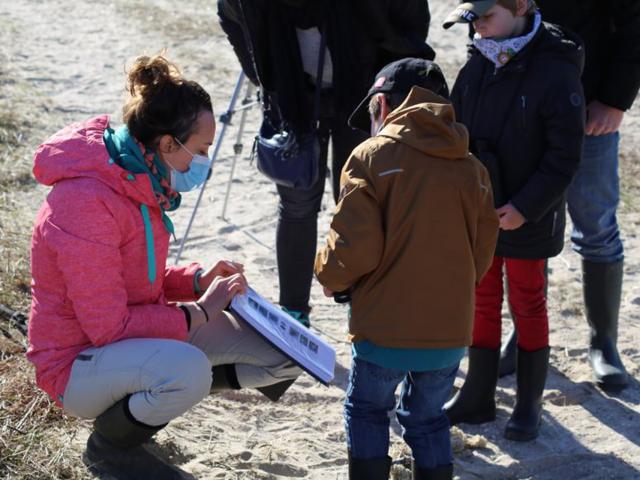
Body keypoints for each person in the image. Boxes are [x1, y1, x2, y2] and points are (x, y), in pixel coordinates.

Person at [27, 54, 301, 480]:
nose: (205, 162)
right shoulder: (85, 201)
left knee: (284, 355)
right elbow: (107, 327)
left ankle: (143, 408)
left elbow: (137, 280)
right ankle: (111, 447)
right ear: (168, 145)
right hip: (76, 363)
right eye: (203, 149)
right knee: (186, 369)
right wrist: (201, 311)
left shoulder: (139, 175)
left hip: (129, 341)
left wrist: (198, 280)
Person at [315, 58, 499, 480]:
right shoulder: (473, 168)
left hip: (384, 325)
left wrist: (332, 278)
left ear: (382, 105)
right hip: (449, 330)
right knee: (428, 416)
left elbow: (353, 244)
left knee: (366, 409)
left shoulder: (371, 156)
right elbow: (483, 249)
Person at [218, 0, 435, 326]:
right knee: (297, 203)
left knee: (361, 202)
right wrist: (265, 73)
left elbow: (413, 21)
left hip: (364, 94)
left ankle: (363, 300)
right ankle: (294, 313)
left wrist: (389, 82)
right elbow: (231, 15)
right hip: (295, 102)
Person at [442, 0, 585, 441]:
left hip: (529, 216)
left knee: (528, 301)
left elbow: (565, 155)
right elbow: (454, 132)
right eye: (473, 21)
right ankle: (478, 394)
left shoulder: (556, 69)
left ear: (521, 6)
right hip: (481, 213)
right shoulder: (477, 63)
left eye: (487, 18)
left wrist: (525, 207)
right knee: (481, 299)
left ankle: (528, 403)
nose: (479, 29)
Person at [498, 0, 640, 392]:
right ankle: (524, 337)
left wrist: (614, 99)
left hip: (589, 108)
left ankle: (604, 343)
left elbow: (633, 25)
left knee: (596, 226)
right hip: (520, 108)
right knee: (527, 226)